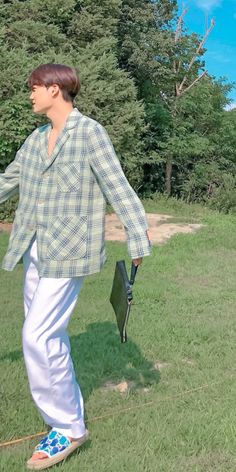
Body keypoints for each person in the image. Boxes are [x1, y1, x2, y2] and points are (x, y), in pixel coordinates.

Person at [0, 63, 151, 470]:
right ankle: (64, 414)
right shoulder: (35, 140)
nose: (30, 94)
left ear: (55, 89)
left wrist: (138, 237)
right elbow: (7, 180)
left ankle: (67, 427)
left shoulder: (89, 133)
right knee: (49, 336)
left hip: (71, 252)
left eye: (34, 88)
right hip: (35, 249)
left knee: (37, 336)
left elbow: (117, 185)